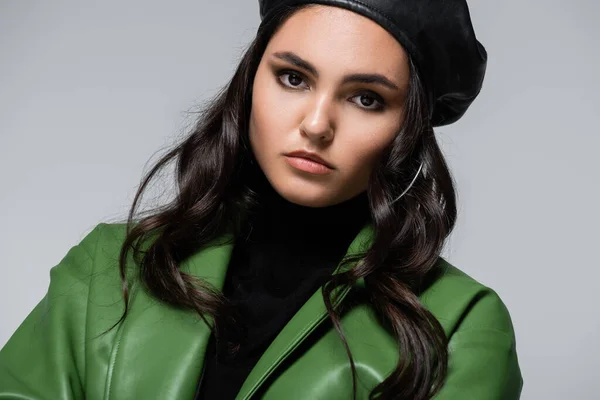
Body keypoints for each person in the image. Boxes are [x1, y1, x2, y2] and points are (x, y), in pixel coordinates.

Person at [0, 0, 523, 399]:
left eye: (367, 98)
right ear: (251, 82)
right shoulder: (106, 271)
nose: (316, 125)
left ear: (406, 128)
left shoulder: (460, 326)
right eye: (293, 78)